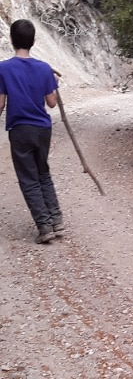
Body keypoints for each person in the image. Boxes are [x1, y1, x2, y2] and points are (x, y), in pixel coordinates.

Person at [0, 19, 64, 243]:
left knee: (28, 179)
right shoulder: (44, 68)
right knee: (42, 173)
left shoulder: (3, 68)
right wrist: (53, 84)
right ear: (34, 41)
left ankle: (44, 226)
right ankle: (56, 219)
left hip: (20, 130)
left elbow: (0, 104)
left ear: (11, 40)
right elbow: (52, 103)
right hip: (42, 129)